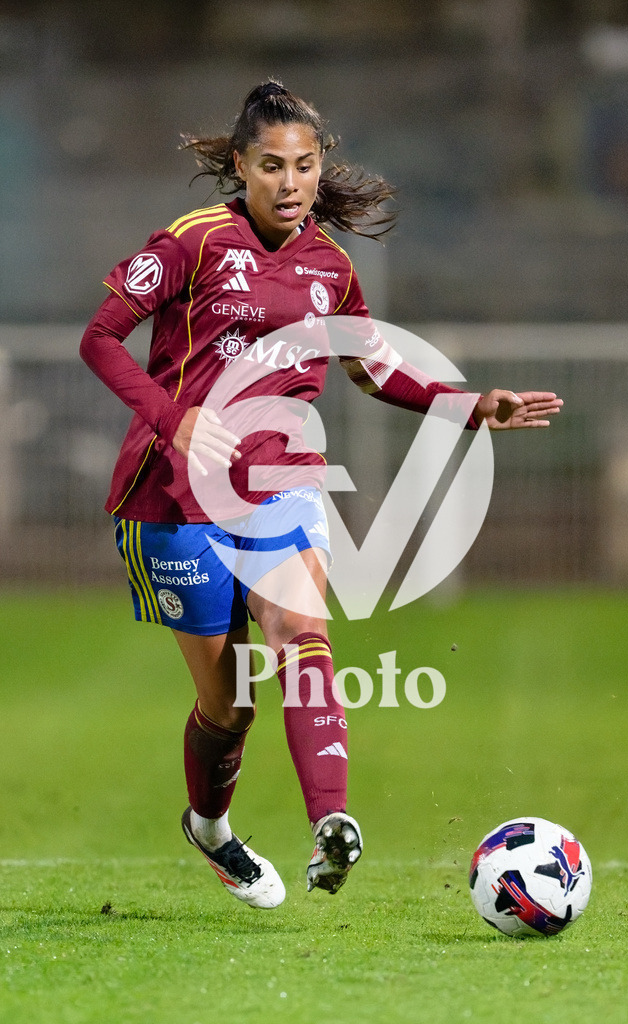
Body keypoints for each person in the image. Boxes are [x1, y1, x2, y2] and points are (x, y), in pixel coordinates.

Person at [80, 81, 563, 910]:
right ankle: (210, 827)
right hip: (170, 499)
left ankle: (330, 824)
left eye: (304, 165)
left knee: (300, 630)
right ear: (240, 165)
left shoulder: (330, 266)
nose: (290, 181)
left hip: (280, 482)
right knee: (229, 709)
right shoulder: (194, 242)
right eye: (271, 165)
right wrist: (175, 419)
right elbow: (99, 338)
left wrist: (469, 406)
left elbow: (372, 368)